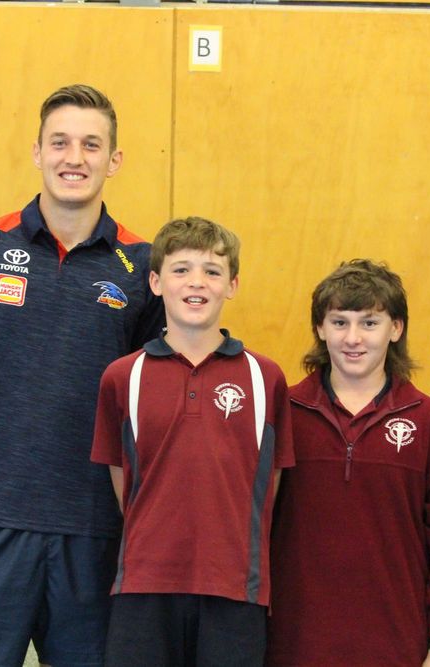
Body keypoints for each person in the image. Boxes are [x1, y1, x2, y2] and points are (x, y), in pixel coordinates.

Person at [0, 84, 165, 667]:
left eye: (90, 144)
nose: (73, 158)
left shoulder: (143, 267)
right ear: (37, 151)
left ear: (114, 160)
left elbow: (152, 400)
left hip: (95, 529)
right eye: (60, 142)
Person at [90, 216, 295, 666]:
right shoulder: (123, 377)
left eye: (212, 271)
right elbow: (124, 482)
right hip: (144, 584)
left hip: (236, 587)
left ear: (233, 284)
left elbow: (269, 484)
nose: (196, 282)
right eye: (181, 269)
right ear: (156, 281)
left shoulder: (267, 378)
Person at [267, 259, 430, 667]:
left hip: (397, 645)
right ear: (319, 328)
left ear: (396, 329)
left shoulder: (428, 421)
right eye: (339, 322)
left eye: (369, 323)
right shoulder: (283, 414)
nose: (353, 338)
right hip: (293, 645)